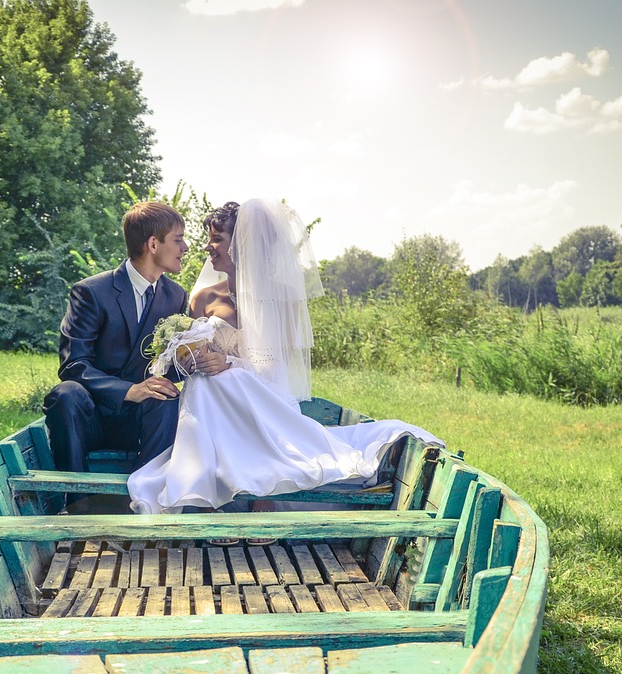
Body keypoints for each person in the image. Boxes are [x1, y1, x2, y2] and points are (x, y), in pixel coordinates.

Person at [126, 198, 442, 519]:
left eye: (216, 239)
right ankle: (231, 491)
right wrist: (193, 361)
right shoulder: (202, 297)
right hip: (215, 403)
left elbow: (274, 367)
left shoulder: (282, 299)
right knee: (205, 383)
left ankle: (251, 487)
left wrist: (229, 364)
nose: (207, 247)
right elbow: (188, 357)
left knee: (222, 380)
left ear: (242, 244)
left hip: (267, 399)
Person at [43, 201, 191, 503]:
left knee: (167, 397)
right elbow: (73, 364)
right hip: (90, 415)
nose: (186, 247)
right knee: (66, 392)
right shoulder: (91, 292)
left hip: (138, 421)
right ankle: (76, 505)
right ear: (153, 243)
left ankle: (142, 502)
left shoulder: (176, 296)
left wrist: (190, 360)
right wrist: (129, 390)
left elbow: (166, 366)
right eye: (178, 239)